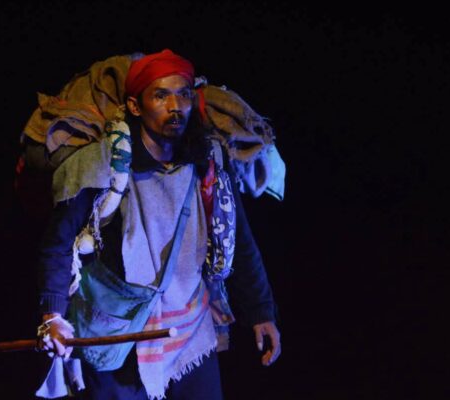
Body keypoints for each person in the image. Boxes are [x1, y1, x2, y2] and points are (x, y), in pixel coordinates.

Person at [35, 49, 281, 400]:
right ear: (135, 107)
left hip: (189, 329)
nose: (175, 106)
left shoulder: (207, 161)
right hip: (118, 332)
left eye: (183, 94)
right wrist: (53, 316)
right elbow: (58, 244)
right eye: (161, 96)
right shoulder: (103, 164)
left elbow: (238, 238)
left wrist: (260, 312)